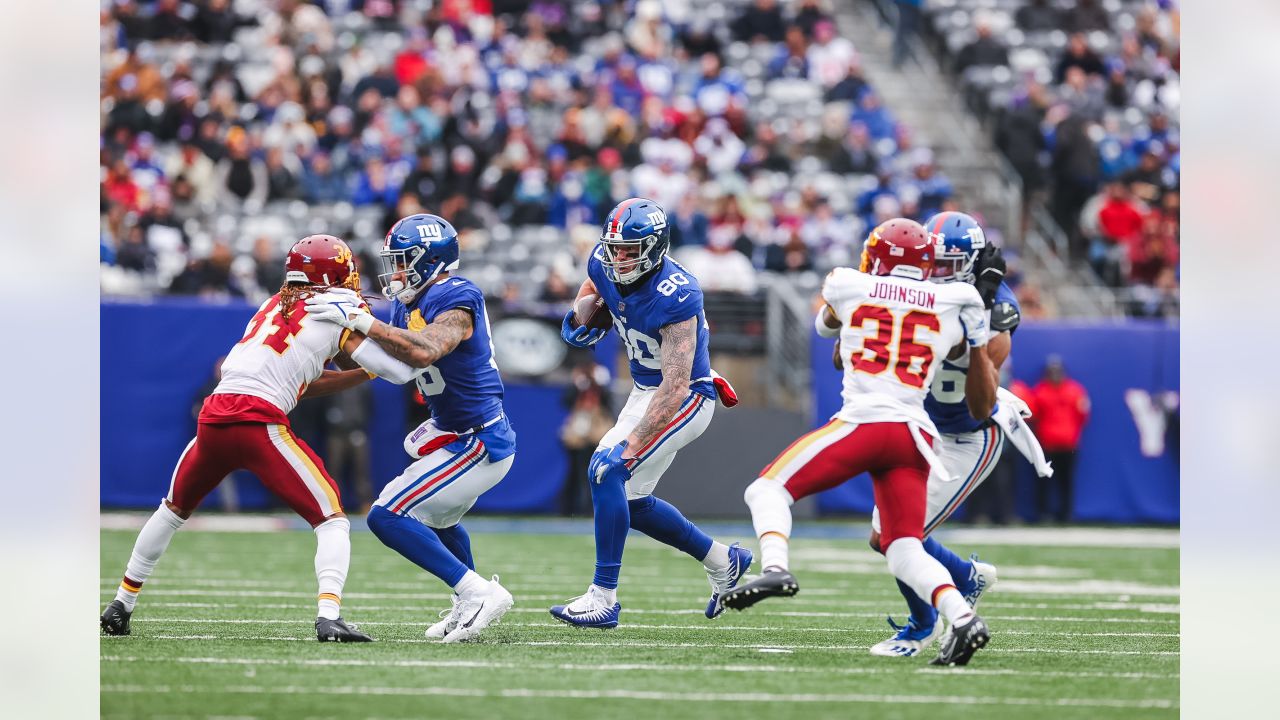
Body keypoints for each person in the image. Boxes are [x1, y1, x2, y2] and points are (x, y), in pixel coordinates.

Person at [722, 218, 998, 667]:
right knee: (904, 545)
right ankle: (963, 618)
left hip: (866, 423)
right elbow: (964, 356)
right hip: (915, 435)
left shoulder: (848, 284)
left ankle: (774, 569)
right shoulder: (959, 299)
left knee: (767, 489)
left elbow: (827, 328)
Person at [101, 235, 376, 643]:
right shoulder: (338, 311)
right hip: (259, 423)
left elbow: (300, 381)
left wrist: (357, 375)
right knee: (332, 518)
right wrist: (369, 370)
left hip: (215, 416)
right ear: (331, 274)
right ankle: (328, 616)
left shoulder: (270, 306)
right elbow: (354, 362)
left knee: (171, 510)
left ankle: (121, 603)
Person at [303, 214, 517, 643]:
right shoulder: (407, 302)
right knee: (439, 519)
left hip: (478, 439)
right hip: (453, 431)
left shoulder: (456, 294)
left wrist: (364, 323)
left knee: (386, 515)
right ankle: (468, 600)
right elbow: (389, 362)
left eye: (403, 262)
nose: (395, 271)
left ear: (431, 261)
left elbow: (426, 350)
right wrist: (338, 331)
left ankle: (478, 593)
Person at [549, 198, 751, 628]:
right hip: (645, 390)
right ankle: (723, 560)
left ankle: (603, 597)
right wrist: (582, 314)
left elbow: (675, 383)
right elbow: (592, 286)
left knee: (607, 469)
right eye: (614, 248)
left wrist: (630, 447)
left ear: (655, 248)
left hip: (685, 395)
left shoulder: (678, 291)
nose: (619, 258)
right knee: (631, 500)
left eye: (630, 250)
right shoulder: (604, 262)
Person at [861, 212, 1053, 658]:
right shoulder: (919, 286)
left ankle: (921, 625)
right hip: (919, 424)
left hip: (967, 435)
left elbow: (980, 403)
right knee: (884, 536)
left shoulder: (999, 307)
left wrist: (976, 322)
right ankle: (965, 578)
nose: (937, 273)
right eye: (934, 261)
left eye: (948, 265)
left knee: (897, 536)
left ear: (969, 264)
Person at [1030, 355, 1090, 522]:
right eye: (1052, 371)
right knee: (1044, 482)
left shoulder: (1075, 390)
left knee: (1066, 481)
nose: (1055, 374)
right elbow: (1033, 415)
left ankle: (1066, 514)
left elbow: (1083, 415)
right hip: (1047, 444)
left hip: (1068, 445)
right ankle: (1042, 514)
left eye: (1058, 371)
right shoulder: (1041, 391)